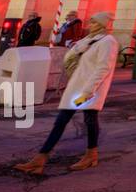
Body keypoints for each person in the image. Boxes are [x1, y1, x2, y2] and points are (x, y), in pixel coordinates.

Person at [13, 11, 119, 175]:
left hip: (87, 90)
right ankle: (41, 159)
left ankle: (88, 155)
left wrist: (88, 91)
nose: (89, 25)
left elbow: (103, 68)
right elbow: (73, 55)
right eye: (90, 22)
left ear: (102, 24)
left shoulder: (108, 41)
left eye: (93, 23)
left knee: (87, 119)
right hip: (77, 87)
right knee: (67, 120)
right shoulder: (89, 39)